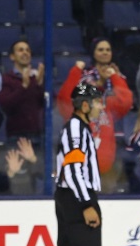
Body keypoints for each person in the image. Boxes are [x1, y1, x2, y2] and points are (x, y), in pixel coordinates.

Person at [47, 83, 108, 246]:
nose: (100, 106)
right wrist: (86, 204)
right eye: (97, 102)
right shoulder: (76, 128)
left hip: (69, 195)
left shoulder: (79, 127)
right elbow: (73, 169)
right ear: (85, 105)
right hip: (76, 196)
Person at [57, 38, 134, 192]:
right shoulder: (82, 80)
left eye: (107, 49)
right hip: (81, 166)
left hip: (107, 162)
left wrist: (114, 77)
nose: (105, 53)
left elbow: (125, 101)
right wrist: (75, 72)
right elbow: (65, 99)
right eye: (100, 49)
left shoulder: (114, 85)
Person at [0, 40, 45, 143]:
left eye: (28, 50)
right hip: (15, 136)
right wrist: (23, 86)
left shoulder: (36, 78)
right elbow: (6, 105)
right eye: (21, 50)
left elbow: (48, 103)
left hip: (36, 135)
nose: (25, 53)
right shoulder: (6, 79)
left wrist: (40, 84)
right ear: (12, 56)